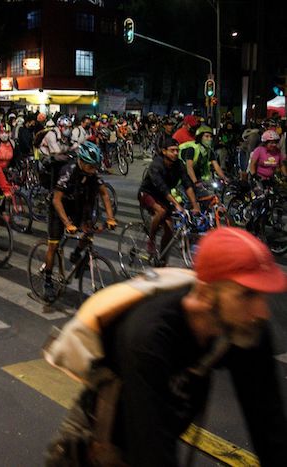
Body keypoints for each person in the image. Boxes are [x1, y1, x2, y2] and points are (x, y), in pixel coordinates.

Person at [96, 227, 287, 466]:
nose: (262, 311)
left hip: (159, 434)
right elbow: (151, 452)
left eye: (262, 296)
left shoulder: (246, 325)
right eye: (247, 295)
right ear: (206, 295)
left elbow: (269, 425)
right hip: (103, 445)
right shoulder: (148, 337)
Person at [42, 142, 116, 302]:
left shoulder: (92, 174)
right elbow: (56, 200)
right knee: (53, 245)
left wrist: (110, 218)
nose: (93, 170)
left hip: (77, 205)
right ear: (81, 161)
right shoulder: (68, 171)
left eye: (95, 167)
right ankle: (47, 282)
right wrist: (67, 223)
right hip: (58, 208)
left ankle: (76, 254)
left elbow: (104, 194)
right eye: (90, 166)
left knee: (88, 232)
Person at [138, 137, 200, 256]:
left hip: (163, 197)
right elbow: (162, 187)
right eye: (172, 150)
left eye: (177, 150)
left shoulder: (178, 165)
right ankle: (151, 239)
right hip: (148, 193)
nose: (176, 153)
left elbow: (187, 184)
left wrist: (195, 205)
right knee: (161, 211)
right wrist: (176, 205)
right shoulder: (156, 164)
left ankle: (161, 258)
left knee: (170, 231)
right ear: (164, 151)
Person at [180, 126, 229, 190]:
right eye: (206, 136)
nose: (209, 139)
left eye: (211, 137)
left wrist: (224, 178)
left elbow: (216, 166)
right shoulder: (192, 149)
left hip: (197, 174)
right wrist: (196, 182)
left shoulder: (209, 150)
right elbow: (189, 168)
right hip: (183, 174)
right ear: (200, 137)